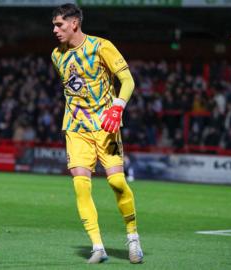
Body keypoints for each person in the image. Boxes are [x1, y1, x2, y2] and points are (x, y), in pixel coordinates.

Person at [51, 4, 143, 264]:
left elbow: (128, 81)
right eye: (54, 25)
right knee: (81, 186)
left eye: (59, 25)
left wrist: (117, 108)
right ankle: (98, 247)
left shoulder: (101, 46)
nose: (55, 30)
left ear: (74, 24)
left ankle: (133, 238)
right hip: (76, 128)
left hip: (106, 126)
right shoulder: (56, 56)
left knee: (116, 183)